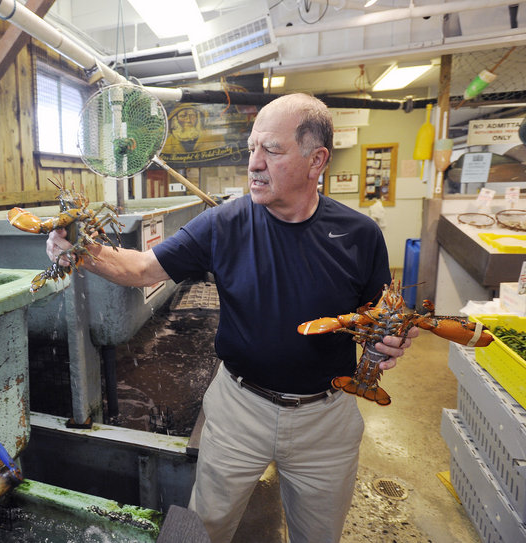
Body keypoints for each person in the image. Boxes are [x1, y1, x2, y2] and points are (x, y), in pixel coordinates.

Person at [46, 93, 417, 542]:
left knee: (319, 535)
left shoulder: (360, 235)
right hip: (239, 407)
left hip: (327, 417)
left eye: (272, 151)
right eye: (251, 149)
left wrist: (386, 344)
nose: (255, 163)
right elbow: (143, 268)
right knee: (201, 530)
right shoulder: (224, 223)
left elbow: (378, 320)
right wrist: (82, 250)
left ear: (316, 160)